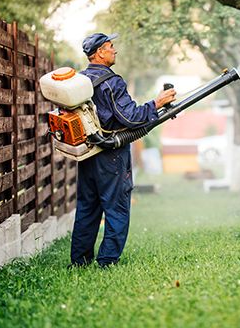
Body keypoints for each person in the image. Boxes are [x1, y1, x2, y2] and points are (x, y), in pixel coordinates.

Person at [69, 33, 176, 268]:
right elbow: (131, 117)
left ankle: (79, 260)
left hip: (88, 153)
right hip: (111, 155)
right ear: (99, 53)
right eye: (110, 46)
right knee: (116, 207)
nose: (114, 50)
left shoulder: (80, 81)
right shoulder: (112, 81)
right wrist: (157, 103)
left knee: (87, 206)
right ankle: (107, 261)